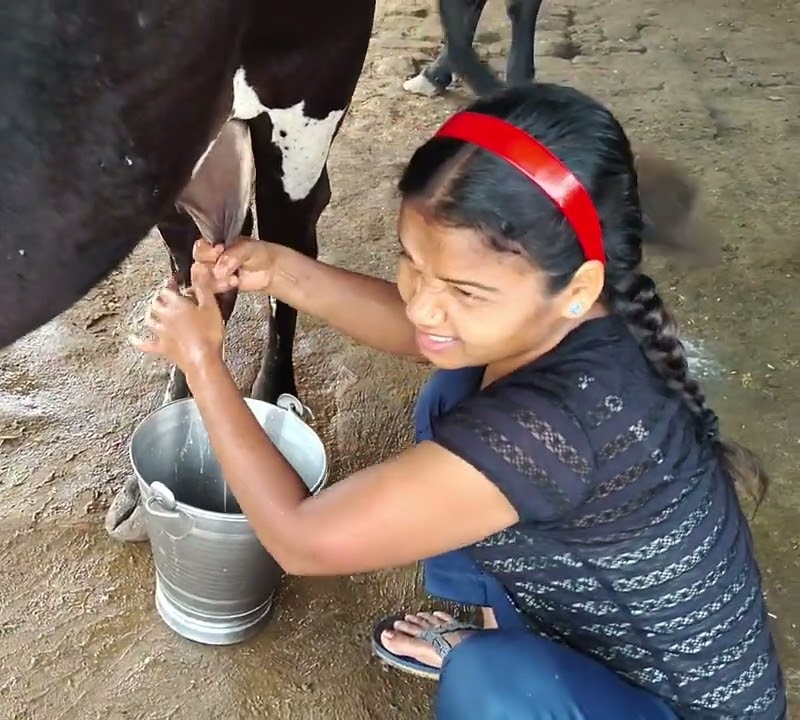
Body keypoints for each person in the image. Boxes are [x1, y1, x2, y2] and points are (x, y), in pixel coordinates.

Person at [130, 82, 785, 719]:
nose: (421, 301)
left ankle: (506, 657)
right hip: (591, 631)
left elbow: (302, 541)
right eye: (412, 261)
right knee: (454, 387)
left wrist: (202, 363)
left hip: (668, 705)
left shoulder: (556, 424)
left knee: (496, 686)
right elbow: (428, 337)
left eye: (465, 291)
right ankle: (503, 627)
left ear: (577, 286)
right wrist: (277, 268)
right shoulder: (590, 313)